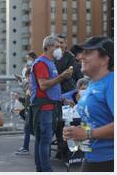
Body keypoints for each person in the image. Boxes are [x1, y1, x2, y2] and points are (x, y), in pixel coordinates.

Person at [63, 37, 114, 172]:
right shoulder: (92, 84)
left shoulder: (112, 82)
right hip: (92, 157)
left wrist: (87, 134)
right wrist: (76, 132)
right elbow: (96, 121)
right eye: (82, 53)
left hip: (109, 160)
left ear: (105, 58)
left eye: (88, 53)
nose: (81, 57)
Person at [29, 34, 73, 172]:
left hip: (50, 105)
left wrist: (62, 98)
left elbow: (52, 87)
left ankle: (41, 169)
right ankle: (46, 169)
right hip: (44, 106)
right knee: (45, 139)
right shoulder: (42, 63)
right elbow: (43, 85)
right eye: (57, 46)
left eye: (60, 46)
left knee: (42, 139)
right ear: (47, 47)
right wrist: (62, 76)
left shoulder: (50, 62)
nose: (60, 48)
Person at [14, 67, 32, 155]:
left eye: (28, 76)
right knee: (27, 128)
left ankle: (25, 148)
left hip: (31, 110)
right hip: (30, 110)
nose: (27, 79)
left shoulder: (32, 86)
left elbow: (28, 101)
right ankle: (25, 147)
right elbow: (27, 100)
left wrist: (20, 99)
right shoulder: (31, 85)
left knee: (27, 128)